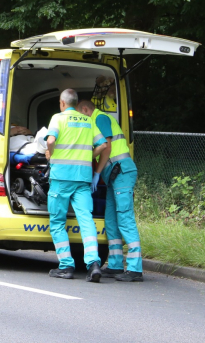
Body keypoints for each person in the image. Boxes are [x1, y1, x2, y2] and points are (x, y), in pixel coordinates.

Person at [44, 89, 109, 282]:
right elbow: (103, 145)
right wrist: (89, 156)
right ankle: (94, 264)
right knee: (86, 220)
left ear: (62, 103)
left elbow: (50, 140)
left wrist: (50, 153)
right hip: (82, 178)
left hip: (61, 178)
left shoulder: (58, 118)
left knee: (57, 222)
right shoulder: (88, 121)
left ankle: (66, 266)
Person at [77, 99, 143, 282]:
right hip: (114, 175)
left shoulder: (100, 118)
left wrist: (97, 172)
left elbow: (106, 147)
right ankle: (115, 264)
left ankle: (135, 269)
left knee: (124, 217)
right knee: (111, 220)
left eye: (80, 115)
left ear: (85, 109)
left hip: (122, 172)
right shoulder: (95, 121)